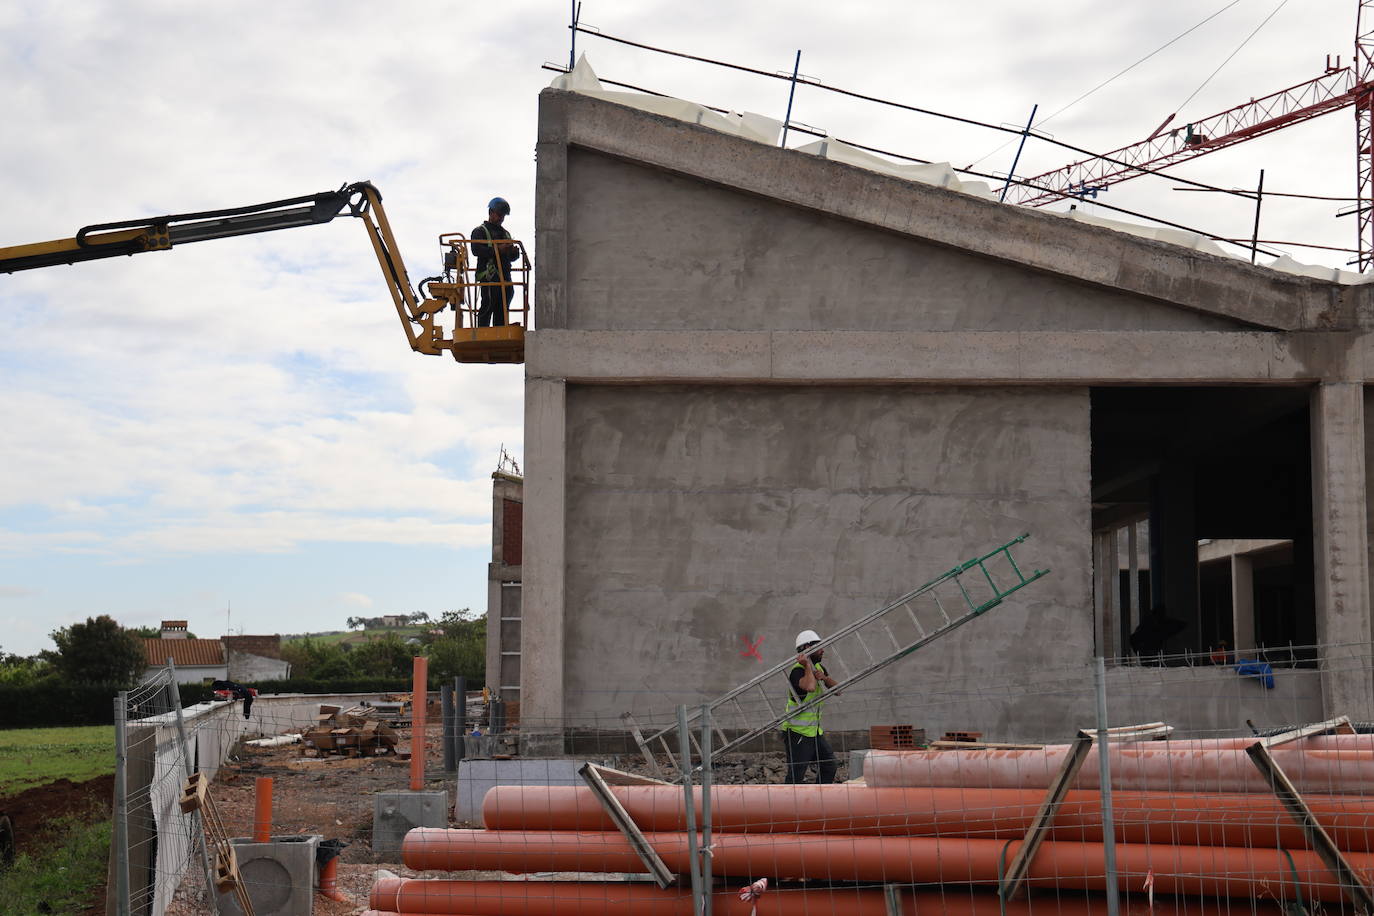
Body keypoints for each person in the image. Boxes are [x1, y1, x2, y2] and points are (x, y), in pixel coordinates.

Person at [780, 629, 838, 784]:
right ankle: (788, 805)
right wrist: (806, 665)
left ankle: (819, 801)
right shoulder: (797, 671)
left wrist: (824, 678)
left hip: (814, 731)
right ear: (807, 648)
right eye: (819, 647)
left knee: (830, 766)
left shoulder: (819, 668)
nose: (823, 650)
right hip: (797, 733)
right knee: (796, 775)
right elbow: (810, 687)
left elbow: (838, 691)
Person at [470, 197, 521, 327]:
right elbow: (476, 250)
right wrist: (497, 249)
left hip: (505, 277)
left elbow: (511, 257)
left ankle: (500, 330)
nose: (501, 218)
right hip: (490, 276)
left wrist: (513, 252)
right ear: (491, 212)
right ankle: (482, 332)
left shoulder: (506, 234)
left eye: (503, 216)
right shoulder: (480, 231)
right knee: (489, 304)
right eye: (499, 215)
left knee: (503, 305)